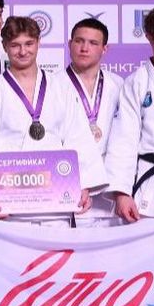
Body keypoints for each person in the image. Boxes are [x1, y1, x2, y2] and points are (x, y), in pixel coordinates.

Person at [0, 16, 106, 226]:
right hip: (11, 205)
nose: (23, 51)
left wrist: (84, 183)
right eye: (15, 45)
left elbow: (77, 136)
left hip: (57, 202)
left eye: (29, 44)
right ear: (5, 46)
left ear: (39, 43)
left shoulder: (61, 88)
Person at [53, 18, 123, 227]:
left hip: (110, 184)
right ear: (69, 44)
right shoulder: (53, 84)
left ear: (105, 49)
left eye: (93, 43)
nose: (84, 48)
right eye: (79, 41)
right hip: (69, 183)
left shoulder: (119, 84)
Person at [106, 8, 154, 224]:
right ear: (150, 37)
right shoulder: (137, 82)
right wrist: (122, 193)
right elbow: (123, 140)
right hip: (151, 189)